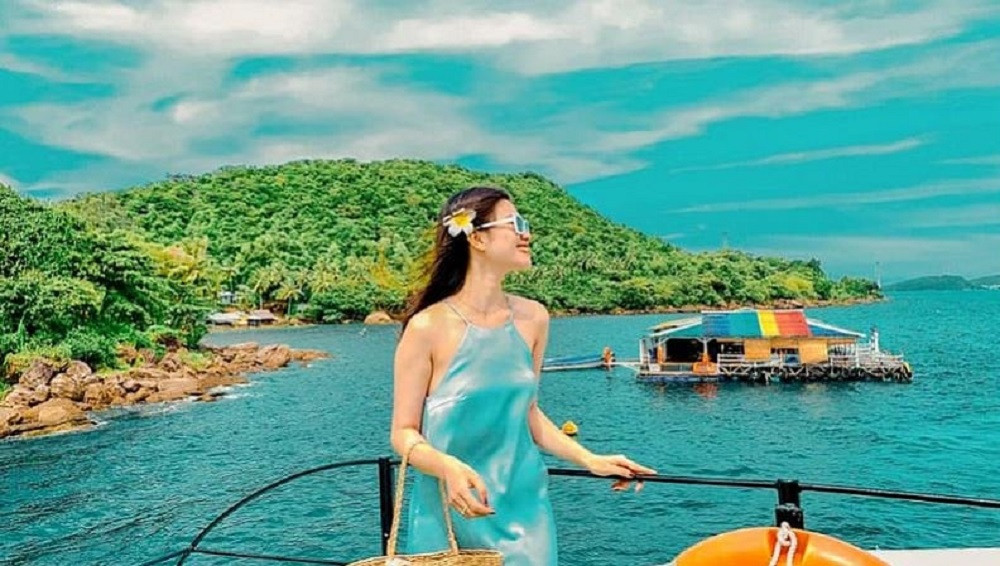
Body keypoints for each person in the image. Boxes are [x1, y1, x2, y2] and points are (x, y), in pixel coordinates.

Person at [390, 186, 655, 565]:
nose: (526, 234)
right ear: (477, 238)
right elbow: (403, 432)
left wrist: (589, 459)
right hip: (453, 506)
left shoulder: (534, 318)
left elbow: (528, 413)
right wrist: (447, 467)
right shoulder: (427, 327)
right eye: (514, 224)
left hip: (525, 508)